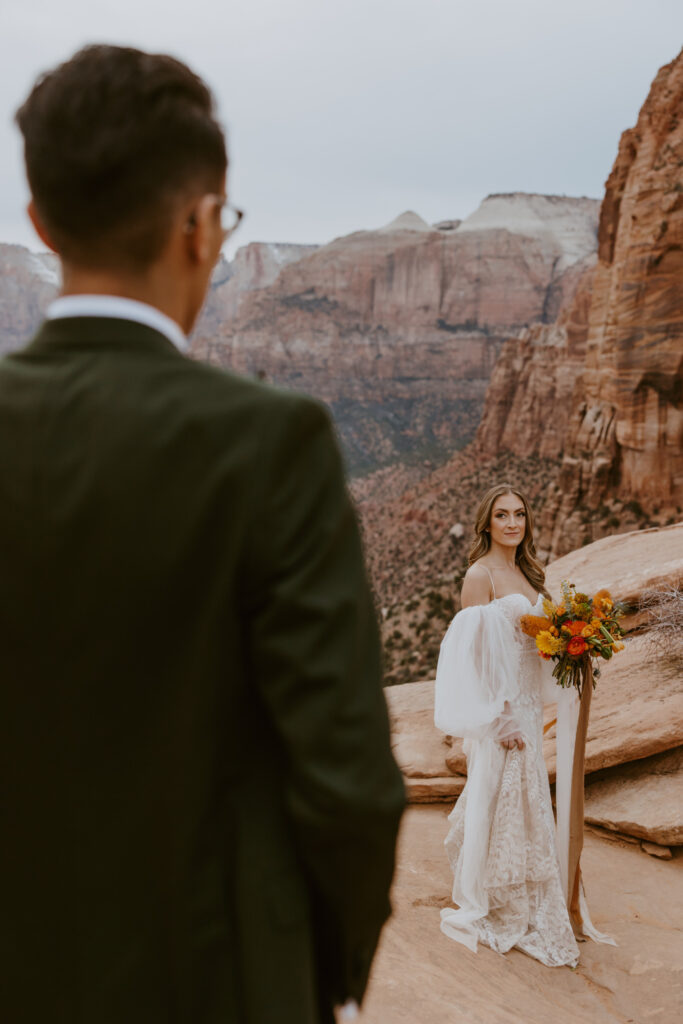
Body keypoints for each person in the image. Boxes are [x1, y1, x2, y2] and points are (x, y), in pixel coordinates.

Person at [1, 45, 404, 1023]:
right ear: (199, 224)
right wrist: (327, 971)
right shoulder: (272, 443)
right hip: (216, 978)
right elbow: (346, 778)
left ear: (42, 223)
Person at [433, 484, 580, 967]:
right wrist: (500, 717)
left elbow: (534, 642)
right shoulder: (480, 575)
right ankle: (499, 901)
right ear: (487, 523)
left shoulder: (526, 571)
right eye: (502, 515)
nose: (512, 523)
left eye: (519, 514)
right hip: (505, 710)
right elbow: (472, 656)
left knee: (526, 798)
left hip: (530, 704)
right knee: (502, 794)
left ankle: (530, 896)